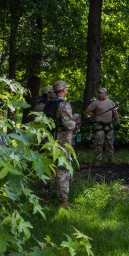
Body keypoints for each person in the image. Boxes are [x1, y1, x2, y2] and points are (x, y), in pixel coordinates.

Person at [50, 80, 79, 209]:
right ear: (63, 90)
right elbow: (68, 124)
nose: (67, 90)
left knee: (52, 168)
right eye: (66, 89)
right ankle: (63, 201)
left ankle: (45, 196)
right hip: (63, 140)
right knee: (63, 169)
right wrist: (75, 122)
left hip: (52, 139)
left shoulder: (49, 104)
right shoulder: (64, 105)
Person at [85, 87, 121, 166]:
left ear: (105, 94)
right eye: (99, 93)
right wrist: (94, 115)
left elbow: (115, 113)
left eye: (101, 93)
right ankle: (98, 160)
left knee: (110, 143)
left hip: (109, 125)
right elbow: (87, 110)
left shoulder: (111, 102)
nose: (100, 94)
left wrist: (118, 121)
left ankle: (111, 159)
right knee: (99, 143)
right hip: (100, 126)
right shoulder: (95, 102)